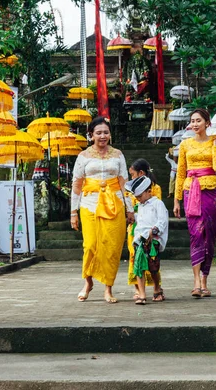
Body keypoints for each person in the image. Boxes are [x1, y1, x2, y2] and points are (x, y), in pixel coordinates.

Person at [71, 116, 133, 304]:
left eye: (106, 132)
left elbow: (124, 183)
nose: (102, 136)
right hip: (89, 204)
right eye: (98, 133)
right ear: (91, 135)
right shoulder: (83, 156)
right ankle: (88, 282)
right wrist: (73, 212)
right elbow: (76, 184)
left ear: (110, 134)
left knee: (111, 248)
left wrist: (130, 209)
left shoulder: (118, 155)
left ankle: (108, 287)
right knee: (90, 246)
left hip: (114, 205)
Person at [173, 108, 216, 298]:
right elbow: (180, 172)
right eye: (192, 121)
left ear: (207, 123)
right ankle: (195, 282)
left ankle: (205, 280)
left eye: (198, 121)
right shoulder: (185, 144)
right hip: (190, 190)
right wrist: (177, 200)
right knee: (195, 234)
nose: (194, 124)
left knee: (209, 235)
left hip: (211, 190)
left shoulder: (215, 141)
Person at [125, 176, 168, 305]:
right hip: (140, 240)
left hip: (153, 241)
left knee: (153, 266)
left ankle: (157, 288)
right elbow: (140, 221)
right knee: (138, 265)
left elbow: (162, 221)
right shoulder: (140, 205)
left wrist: (153, 230)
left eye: (139, 195)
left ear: (148, 191)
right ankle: (142, 294)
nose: (137, 198)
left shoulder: (157, 204)